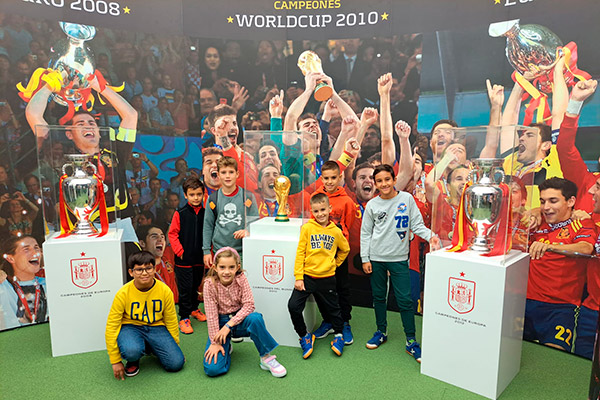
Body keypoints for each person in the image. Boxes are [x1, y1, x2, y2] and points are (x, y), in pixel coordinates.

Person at [361, 164, 440, 362]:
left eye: (387, 179)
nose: (384, 184)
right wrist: (365, 258)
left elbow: (417, 225)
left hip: (399, 260)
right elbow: (365, 233)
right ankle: (381, 331)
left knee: (405, 300)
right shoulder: (372, 205)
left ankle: (411, 341)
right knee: (379, 297)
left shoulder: (406, 199)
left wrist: (432, 237)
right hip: (377, 259)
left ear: (394, 180)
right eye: (379, 181)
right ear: (375, 184)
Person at [525, 177, 597, 351]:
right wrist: (532, 211)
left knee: (555, 359)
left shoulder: (582, 223)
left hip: (561, 308)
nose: (546, 207)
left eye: (553, 201)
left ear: (571, 201)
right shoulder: (536, 221)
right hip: (525, 303)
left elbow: (585, 248)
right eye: (542, 201)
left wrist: (549, 247)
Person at [203, 247, 286, 378]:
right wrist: (216, 343)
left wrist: (229, 326)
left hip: (239, 321)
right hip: (220, 325)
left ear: (237, 267)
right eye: (222, 267)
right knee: (212, 369)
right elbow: (212, 316)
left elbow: (249, 305)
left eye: (231, 267)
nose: (227, 272)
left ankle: (266, 358)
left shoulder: (241, 278)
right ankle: (226, 347)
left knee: (255, 318)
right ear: (215, 267)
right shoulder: (209, 284)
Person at [288, 193, 350, 358]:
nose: (320, 213)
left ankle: (338, 335)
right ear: (311, 212)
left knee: (334, 309)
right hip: (307, 277)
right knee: (293, 306)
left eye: (323, 209)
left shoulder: (335, 231)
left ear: (329, 209)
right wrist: (299, 277)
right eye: (316, 211)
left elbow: (345, 249)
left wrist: (335, 264)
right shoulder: (307, 228)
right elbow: (300, 252)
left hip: (327, 278)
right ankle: (304, 336)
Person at [105, 251, 184, 379]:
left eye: (148, 268)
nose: (144, 273)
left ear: (154, 269)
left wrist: (175, 346)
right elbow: (112, 326)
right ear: (131, 272)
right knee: (132, 351)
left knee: (176, 364)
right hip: (131, 327)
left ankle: (150, 347)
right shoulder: (123, 293)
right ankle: (133, 360)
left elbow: (171, 320)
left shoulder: (165, 291)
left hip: (156, 327)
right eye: (139, 269)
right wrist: (115, 360)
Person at [310, 160, 358, 345]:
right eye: (326, 178)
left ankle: (344, 322)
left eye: (333, 178)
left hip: (338, 253)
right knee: (322, 288)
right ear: (321, 178)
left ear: (340, 177)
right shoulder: (316, 196)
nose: (329, 182)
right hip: (319, 253)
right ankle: (328, 321)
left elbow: (347, 226)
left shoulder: (347, 201)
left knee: (341, 288)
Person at [203, 156, 258, 268]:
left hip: (243, 251)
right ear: (218, 174)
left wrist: (248, 231)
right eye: (223, 172)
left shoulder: (248, 197)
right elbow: (208, 226)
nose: (227, 176)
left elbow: (255, 222)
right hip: (220, 252)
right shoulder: (213, 199)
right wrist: (206, 251)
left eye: (231, 172)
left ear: (237, 174)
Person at [168, 177, 207, 334]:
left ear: (203, 194)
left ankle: (194, 309)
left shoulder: (206, 213)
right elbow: (172, 234)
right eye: (192, 194)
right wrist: (180, 252)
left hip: (200, 258)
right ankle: (183, 317)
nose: (196, 198)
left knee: (196, 285)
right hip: (184, 259)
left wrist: (208, 252)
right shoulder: (180, 213)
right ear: (185, 195)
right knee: (184, 288)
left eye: (199, 194)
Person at [0, 235, 46, 330]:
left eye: (36, 248)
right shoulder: (4, 286)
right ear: (10, 258)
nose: (35, 253)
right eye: (26, 249)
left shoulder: (48, 283)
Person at [137, 224, 178, 301]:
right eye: (154, 236)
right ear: (142, 243)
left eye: (162, 237)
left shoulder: (168, 255)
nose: (160, 239)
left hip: (175, 306)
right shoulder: (141, 270)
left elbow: (172, 231)